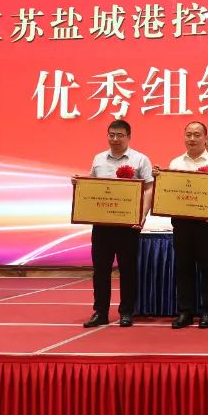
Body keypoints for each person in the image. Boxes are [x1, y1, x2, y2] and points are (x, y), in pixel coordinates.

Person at [81, 119, 153, 328]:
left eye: (120, 135)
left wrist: (142, 216)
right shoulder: (98, 159)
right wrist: (80, 185)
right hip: (102, 225)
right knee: (100, 270)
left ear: (128, 137)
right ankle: (100, 312)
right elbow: (92, 186)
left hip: (128, 226)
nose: (115, 139)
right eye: (111, 135)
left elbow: (149, 188)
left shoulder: (140, 159)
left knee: (128, 270)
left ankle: (126, 312)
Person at [165, 121, 208, 329]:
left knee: (207, 268)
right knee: (183, 267)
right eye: (189, 134)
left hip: (206, 223)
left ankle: (206, 312)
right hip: (182, 223)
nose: (192, 138)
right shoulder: (176, 163)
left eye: (197, 134)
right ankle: (184, 312)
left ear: (205, 138)